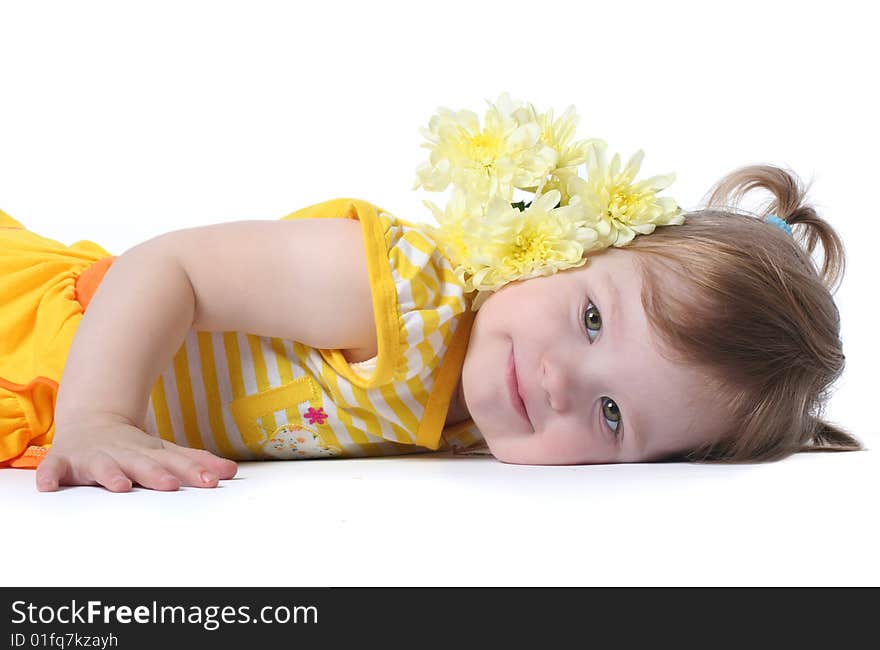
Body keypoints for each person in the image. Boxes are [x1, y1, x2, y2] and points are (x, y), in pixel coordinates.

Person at [0, 163, 862, 493]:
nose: (564, 379)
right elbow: (168, 267)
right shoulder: (402, 292)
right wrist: (95, 418)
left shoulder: (470, 427)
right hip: (42, 335)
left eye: (610, 416)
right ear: (558, 243)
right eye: (592, 316)